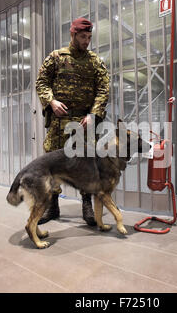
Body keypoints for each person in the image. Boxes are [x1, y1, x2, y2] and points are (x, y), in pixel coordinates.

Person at [35, 17, 110, 226]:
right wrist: (51, 101)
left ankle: (86, 203)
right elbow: (41, 82)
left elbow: (104, 89)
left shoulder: (95, 61)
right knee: (52, 164)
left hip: (84, 122)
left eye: (89, 37)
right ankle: (52, 205)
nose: (86, 41)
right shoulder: (56, 58)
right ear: (73, 34)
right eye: (83, 37)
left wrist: (94, 114)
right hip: (60, 122)